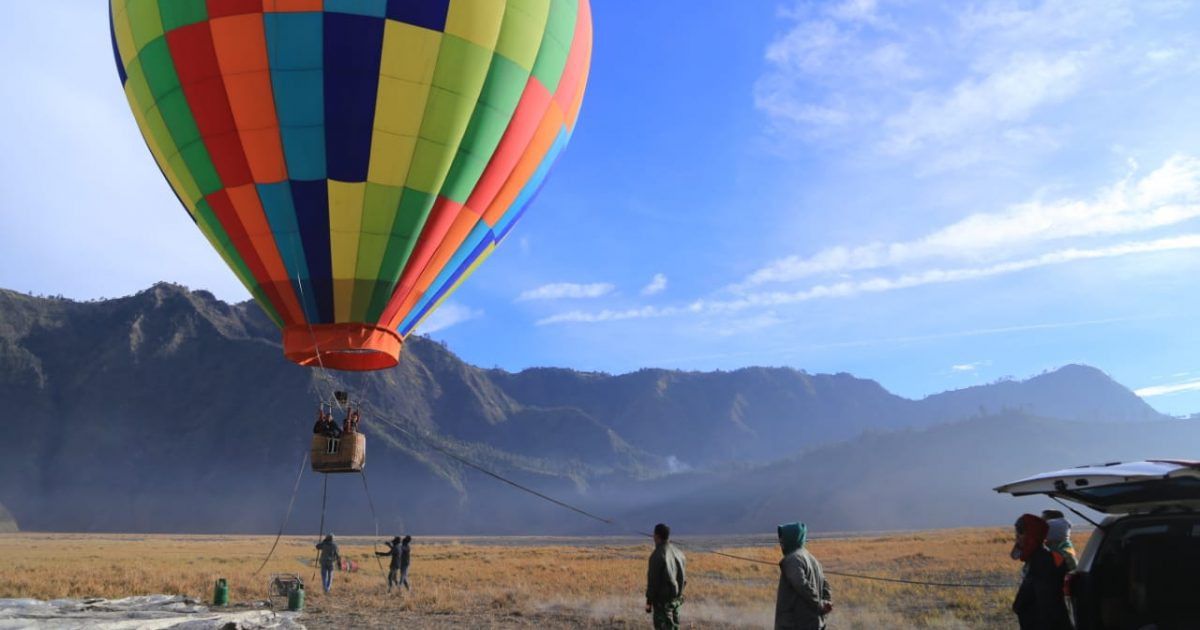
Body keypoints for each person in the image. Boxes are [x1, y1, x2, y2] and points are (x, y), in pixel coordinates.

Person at [1011, 514, 1071, 629]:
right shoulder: (1038, 558)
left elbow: (1048, 607)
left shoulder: (1044, 562)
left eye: (1020, 531)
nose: (1017, 536)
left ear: (1032, 535)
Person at [775, 521, 832, 630]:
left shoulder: (793, 559)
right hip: (815, 623)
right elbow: (826, 586)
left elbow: (801, 584)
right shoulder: (813, 560)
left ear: (792, 538)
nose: (781, 543)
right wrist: (825, 603)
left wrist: (819, 604)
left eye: (783, 539)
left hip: (796, 624)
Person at [644, 523, 686, 630]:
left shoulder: (657, 555)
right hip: (677, 601)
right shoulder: (679, 553)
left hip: (663, 604)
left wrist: (649, 603)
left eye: (654, 534)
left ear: (656, 536)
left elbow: (652, 582)